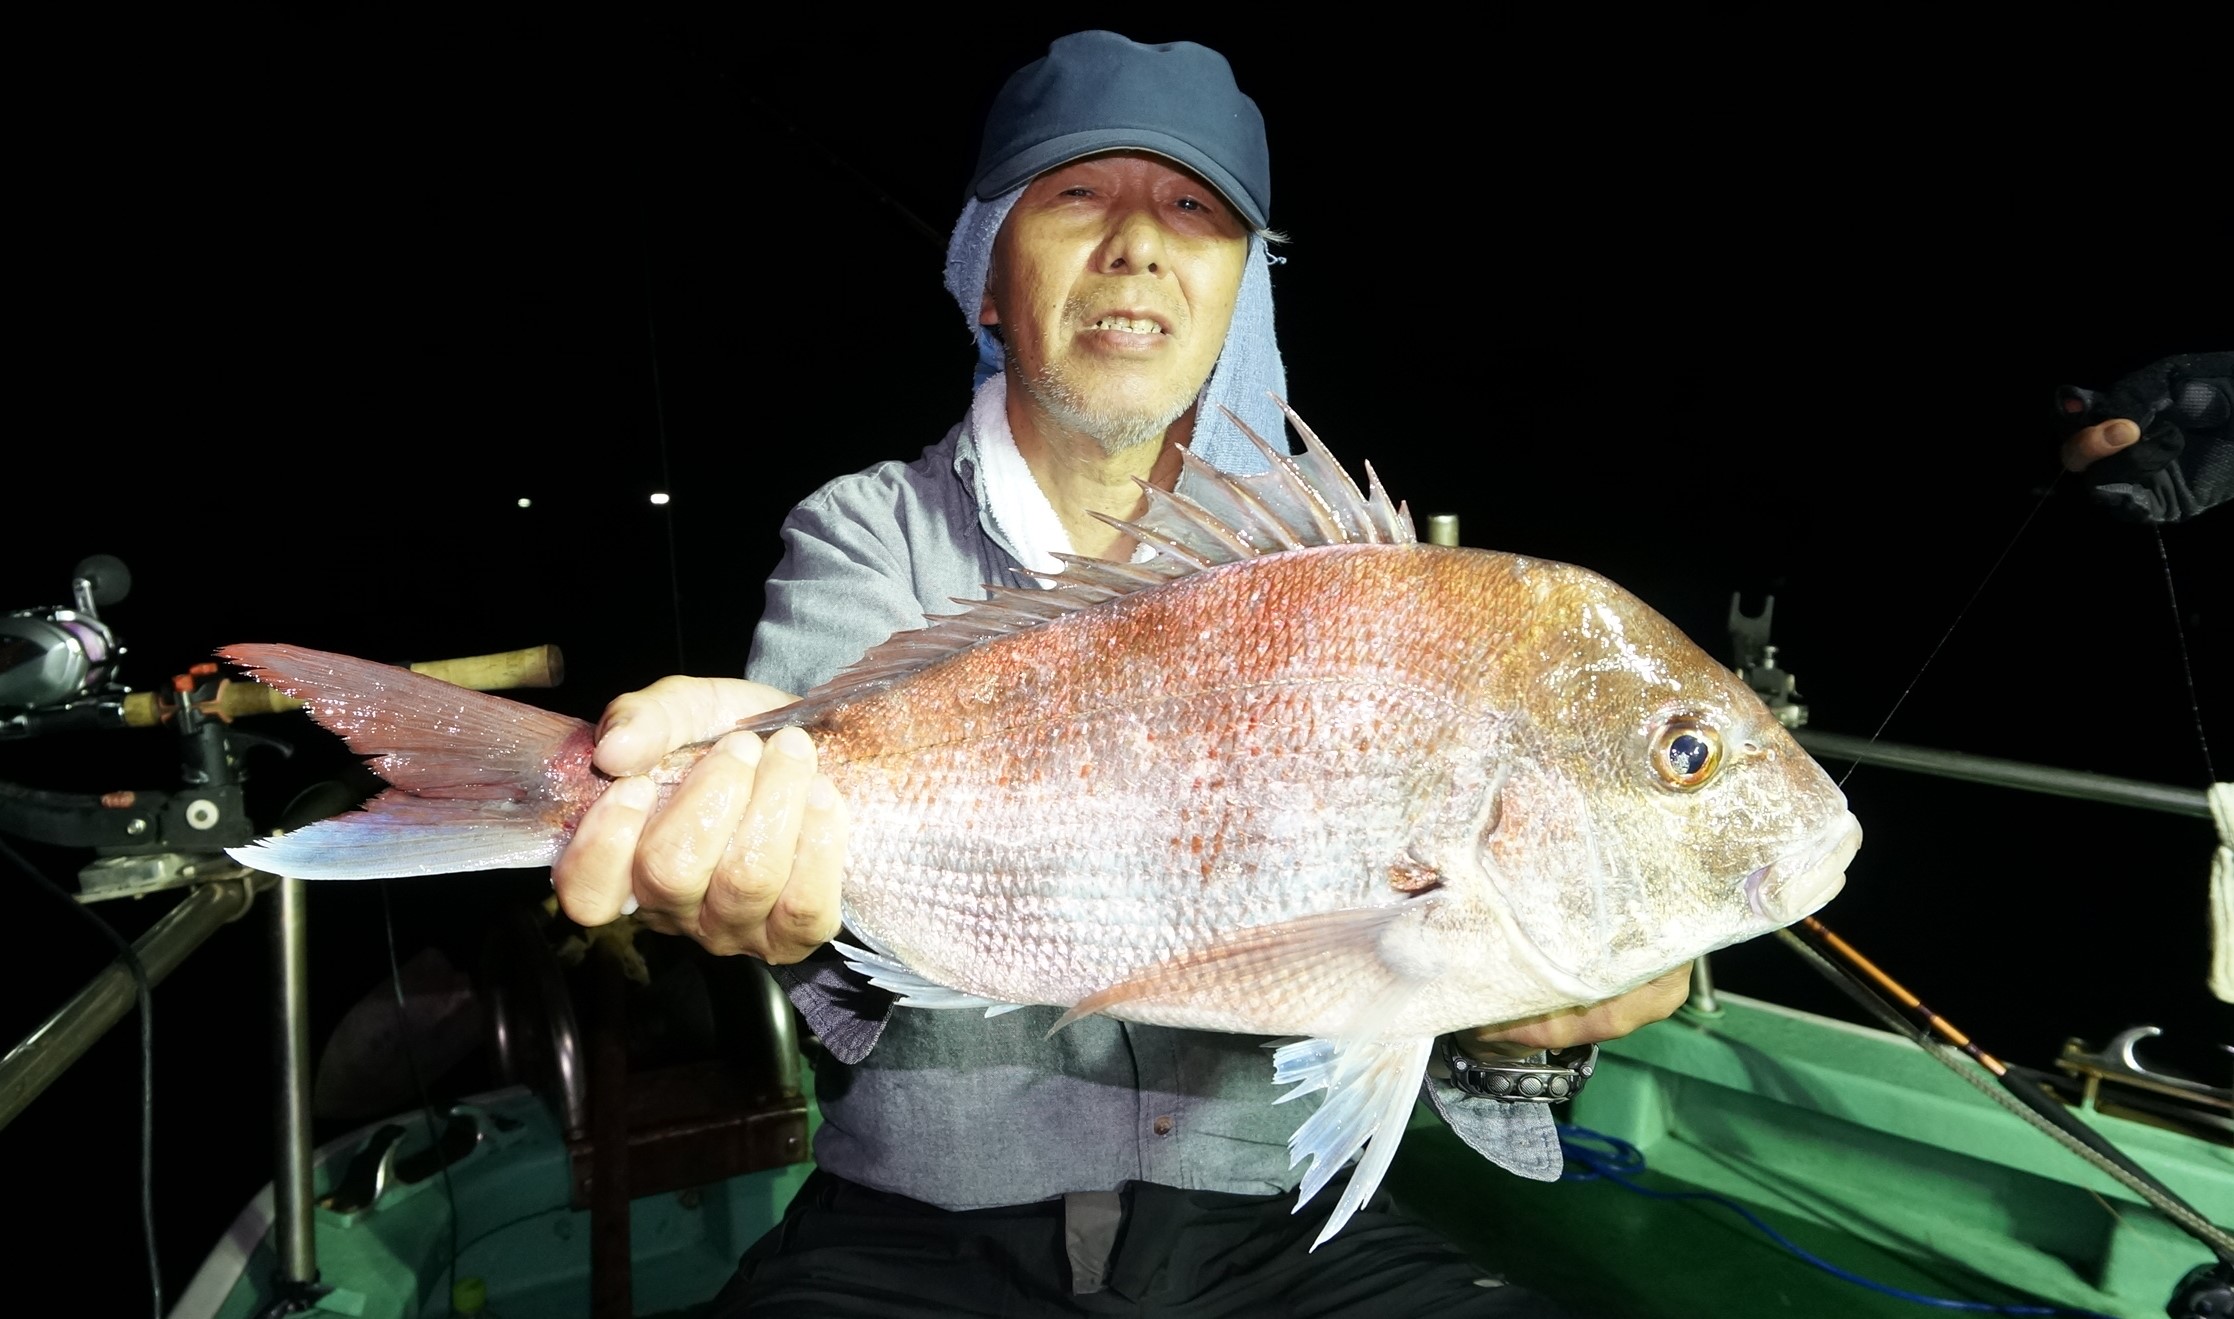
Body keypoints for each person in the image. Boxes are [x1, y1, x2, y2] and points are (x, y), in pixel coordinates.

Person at [552, 31, 1686, 1316]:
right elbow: (815, 877)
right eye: (1077, 193)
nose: (1137, 243)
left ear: (1238, 289)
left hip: (1271, 1230)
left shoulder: (1337, 570)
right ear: (988, 274)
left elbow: (1411, 977)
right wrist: (746, 841)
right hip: (916, 1231)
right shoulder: (868, 530)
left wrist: (1520, 1010)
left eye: (1194, 211)